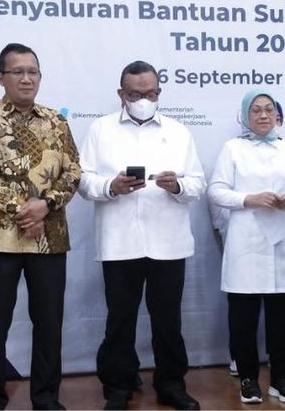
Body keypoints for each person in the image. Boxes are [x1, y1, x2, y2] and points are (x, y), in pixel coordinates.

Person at [78, 60, 205, 411]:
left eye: (151, 93)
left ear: (159, 92)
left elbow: (197, 183)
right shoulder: (100, 129)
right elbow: (83, 180)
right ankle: (118, 385)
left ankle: (171, 384)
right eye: (136, 95)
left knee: (168, 320)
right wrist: (111, 186)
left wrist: (177, 185)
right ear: (121, 94)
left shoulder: (178, 131)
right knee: (120, 318)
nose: (144, 100)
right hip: (119, 241)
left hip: (168, 241)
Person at [0, 43, 81, 410]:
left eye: (33, 72)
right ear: (1, 78)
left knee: (49, 323)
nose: (27, 78)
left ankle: (46, 399)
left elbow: (73, 171)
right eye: (18, 72)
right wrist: (24, 211)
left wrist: (45, 205)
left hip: (49, 237)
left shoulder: (56, 120)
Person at [208, 90, 285, 404]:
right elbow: (216, 191)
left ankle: (281, 379)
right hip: (246, 241)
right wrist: (249, 199)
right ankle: (248, 379)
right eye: (256, 110)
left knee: (283, 316)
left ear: (277, 115)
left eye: (268, 109)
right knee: (243, 316)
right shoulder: (233, 148)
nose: (263, 115)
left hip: (283, 239)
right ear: (245, 116)